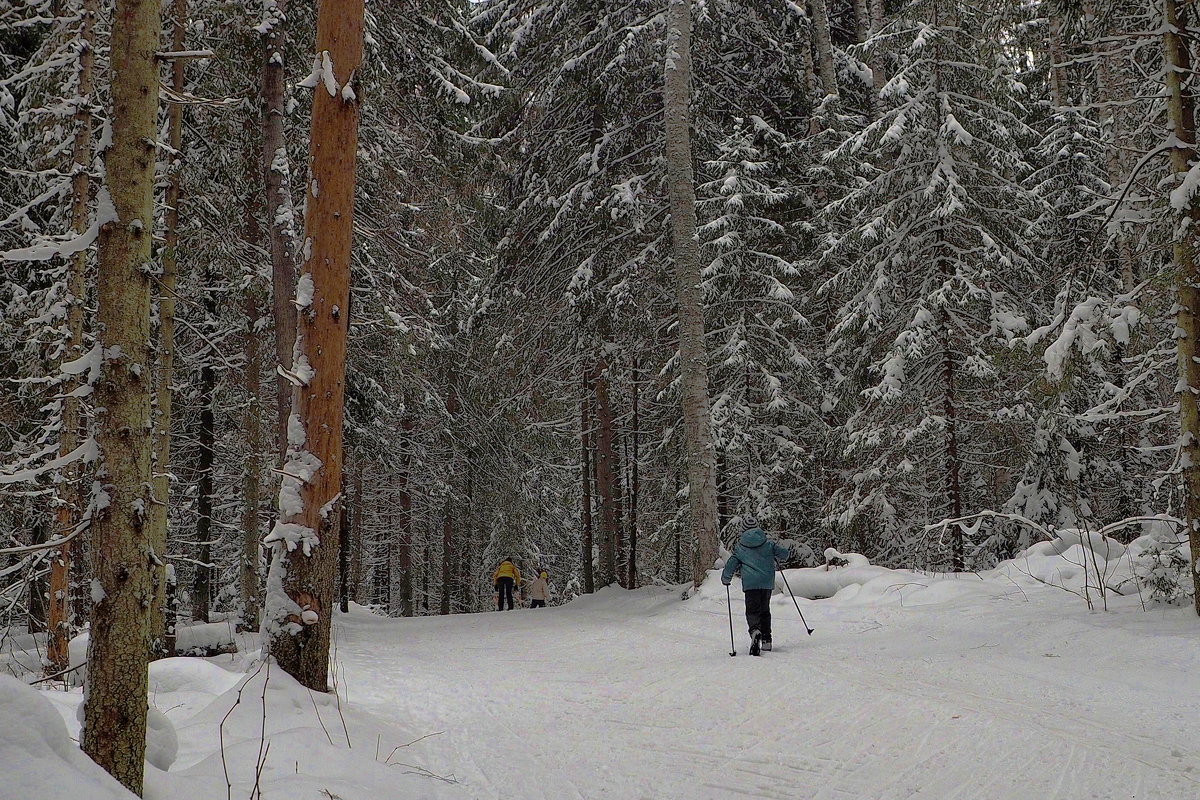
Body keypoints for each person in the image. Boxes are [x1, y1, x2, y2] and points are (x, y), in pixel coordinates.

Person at [721, 515, 790, 655]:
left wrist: (726, 579)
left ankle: (755, 631)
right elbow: (785, 554)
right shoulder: (768, 544)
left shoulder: (740, 548)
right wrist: (777, 554)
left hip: (751, 585)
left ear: (744, 530)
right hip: (766, 583)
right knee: (765, 611)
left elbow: (731, 565)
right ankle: (766, 640)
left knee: (752, 611)